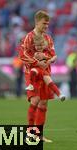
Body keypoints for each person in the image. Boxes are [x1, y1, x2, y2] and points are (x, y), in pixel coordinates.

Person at [18, 10, 65, 142]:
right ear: (37, 22)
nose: (46, 26)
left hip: (45, 72)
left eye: (48, 24)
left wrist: (48, 59)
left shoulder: (48, 38)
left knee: (43, 104)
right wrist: (37, 62)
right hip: (32, 73)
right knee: (35, 100)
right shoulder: (28, 37)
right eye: (44, 24)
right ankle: (29, 133)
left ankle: (39, 135)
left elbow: (52, 54)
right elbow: (22, 55)